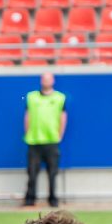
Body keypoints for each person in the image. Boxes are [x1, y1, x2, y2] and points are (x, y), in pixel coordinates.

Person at [23, 73, 66, 208]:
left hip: (51, 140)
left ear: (52, 81)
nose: (46, 81)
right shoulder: (31, 97)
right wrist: (28, 132)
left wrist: (60, 135)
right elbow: (27, 115)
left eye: (48, 79)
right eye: (44, 79)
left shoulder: (60, 98)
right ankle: (30, 199)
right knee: (32, 172)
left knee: (52, 172)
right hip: (34, 140)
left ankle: (53, 199)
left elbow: (63, 116)